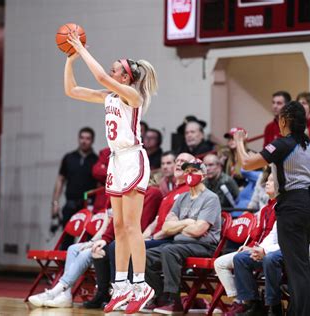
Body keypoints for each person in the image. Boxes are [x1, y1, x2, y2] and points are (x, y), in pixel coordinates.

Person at [64, 31, 158, 314]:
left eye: (115, 68)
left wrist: (80, 49)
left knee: (132, 227)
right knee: (118, 229)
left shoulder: (133, 95)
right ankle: (121, 287)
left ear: (126, 77)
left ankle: (141, 285)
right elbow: (72, 90)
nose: (110, 70)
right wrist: (70, 61)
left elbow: (101, 79)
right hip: (117, 162)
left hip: (133, 159)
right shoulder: (109, 96)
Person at [234, 101, 310, 316]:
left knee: (296, 266)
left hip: (292, 206)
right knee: (298, 263)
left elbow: (246, 163)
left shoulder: (282, 144)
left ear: (284, 120)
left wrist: (238, 142)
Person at [145, 159, 221, 314]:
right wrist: (187, 222)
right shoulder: (182, 198)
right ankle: (162, 296)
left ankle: (175, 301)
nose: (189, 174)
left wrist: (178, 227)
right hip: (180, 245)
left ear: (204, 175)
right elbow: (166, 227)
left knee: (169, 251)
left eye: (194, 171)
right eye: (186, 171)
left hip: (204, 246)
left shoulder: (210, 198)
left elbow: (198, 230)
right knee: (144, 256)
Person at [214, 174, 277, 316]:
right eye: (267, 180)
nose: (266, 183)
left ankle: (245, 302)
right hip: (258, 248)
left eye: (271, 181)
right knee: (220, 263)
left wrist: (257, 248)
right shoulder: (266, 208)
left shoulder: (281, 207)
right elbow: (259, 235)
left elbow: (274, 238)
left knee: (237, 259)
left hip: (271, 252)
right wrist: (251, 245)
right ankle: (241, 302)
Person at [51, 127, 98, 250]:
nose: (84, 141)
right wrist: (55, 203)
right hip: (71, 203)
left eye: (87, 138)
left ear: (92, 140)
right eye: (82, 138)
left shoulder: (96, 160)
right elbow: (60, 180)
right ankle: (66, 268)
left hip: (89, 205)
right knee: (67, 238)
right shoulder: (69, 158)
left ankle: (84, 267)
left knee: (88, 238)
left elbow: (100, 185)